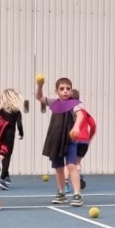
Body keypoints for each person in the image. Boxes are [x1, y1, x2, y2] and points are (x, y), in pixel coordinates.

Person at [36, 76, 85, 207]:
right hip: (55, 139)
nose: (65, 91)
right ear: (57, 91)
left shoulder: (75, 104)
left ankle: (77, 194)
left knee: (71, 166)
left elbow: (80, 115)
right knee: (58, 168)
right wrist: (40, 85)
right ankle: (61, 192)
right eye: (62, 89)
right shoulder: (54, 102)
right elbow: (39, 97)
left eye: (68, 89)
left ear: (71, 91)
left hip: (69, 140)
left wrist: (76, 127)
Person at [68, 88, 96, 191]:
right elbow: (93, 125)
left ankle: (66, 183)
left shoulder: (69, 112)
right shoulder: (84, 112)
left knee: (69, 162)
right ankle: (78, 178)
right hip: (84, 140)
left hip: (73, 139)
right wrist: (89, 137)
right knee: (78, 162)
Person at [0, 88, 25, 190]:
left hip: (0, 135)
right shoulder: (16, 112)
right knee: (7, 156)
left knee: (2, 154)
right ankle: (2, 178)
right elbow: (19, 124)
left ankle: (7, 176)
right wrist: (21, 133)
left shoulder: (0, 111)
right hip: (9, 136)